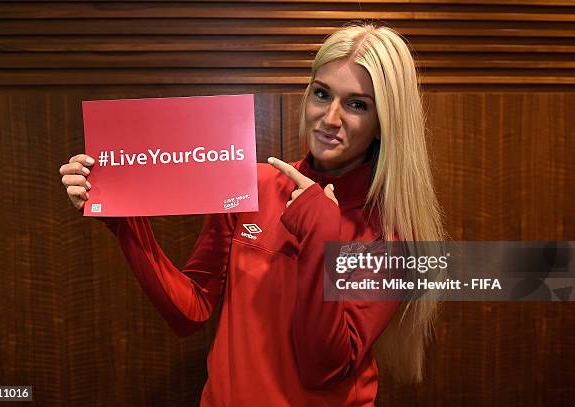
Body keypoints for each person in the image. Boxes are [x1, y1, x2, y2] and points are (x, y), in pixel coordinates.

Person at [59, 23, 445, 406]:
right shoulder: (254, 185)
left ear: (383, 124)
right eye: (322, 94)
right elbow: (190, 312)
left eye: (357, 104)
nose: (330, 118)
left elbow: (322, 368)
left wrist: (321, 235)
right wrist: (128, 224)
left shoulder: (392, 232)